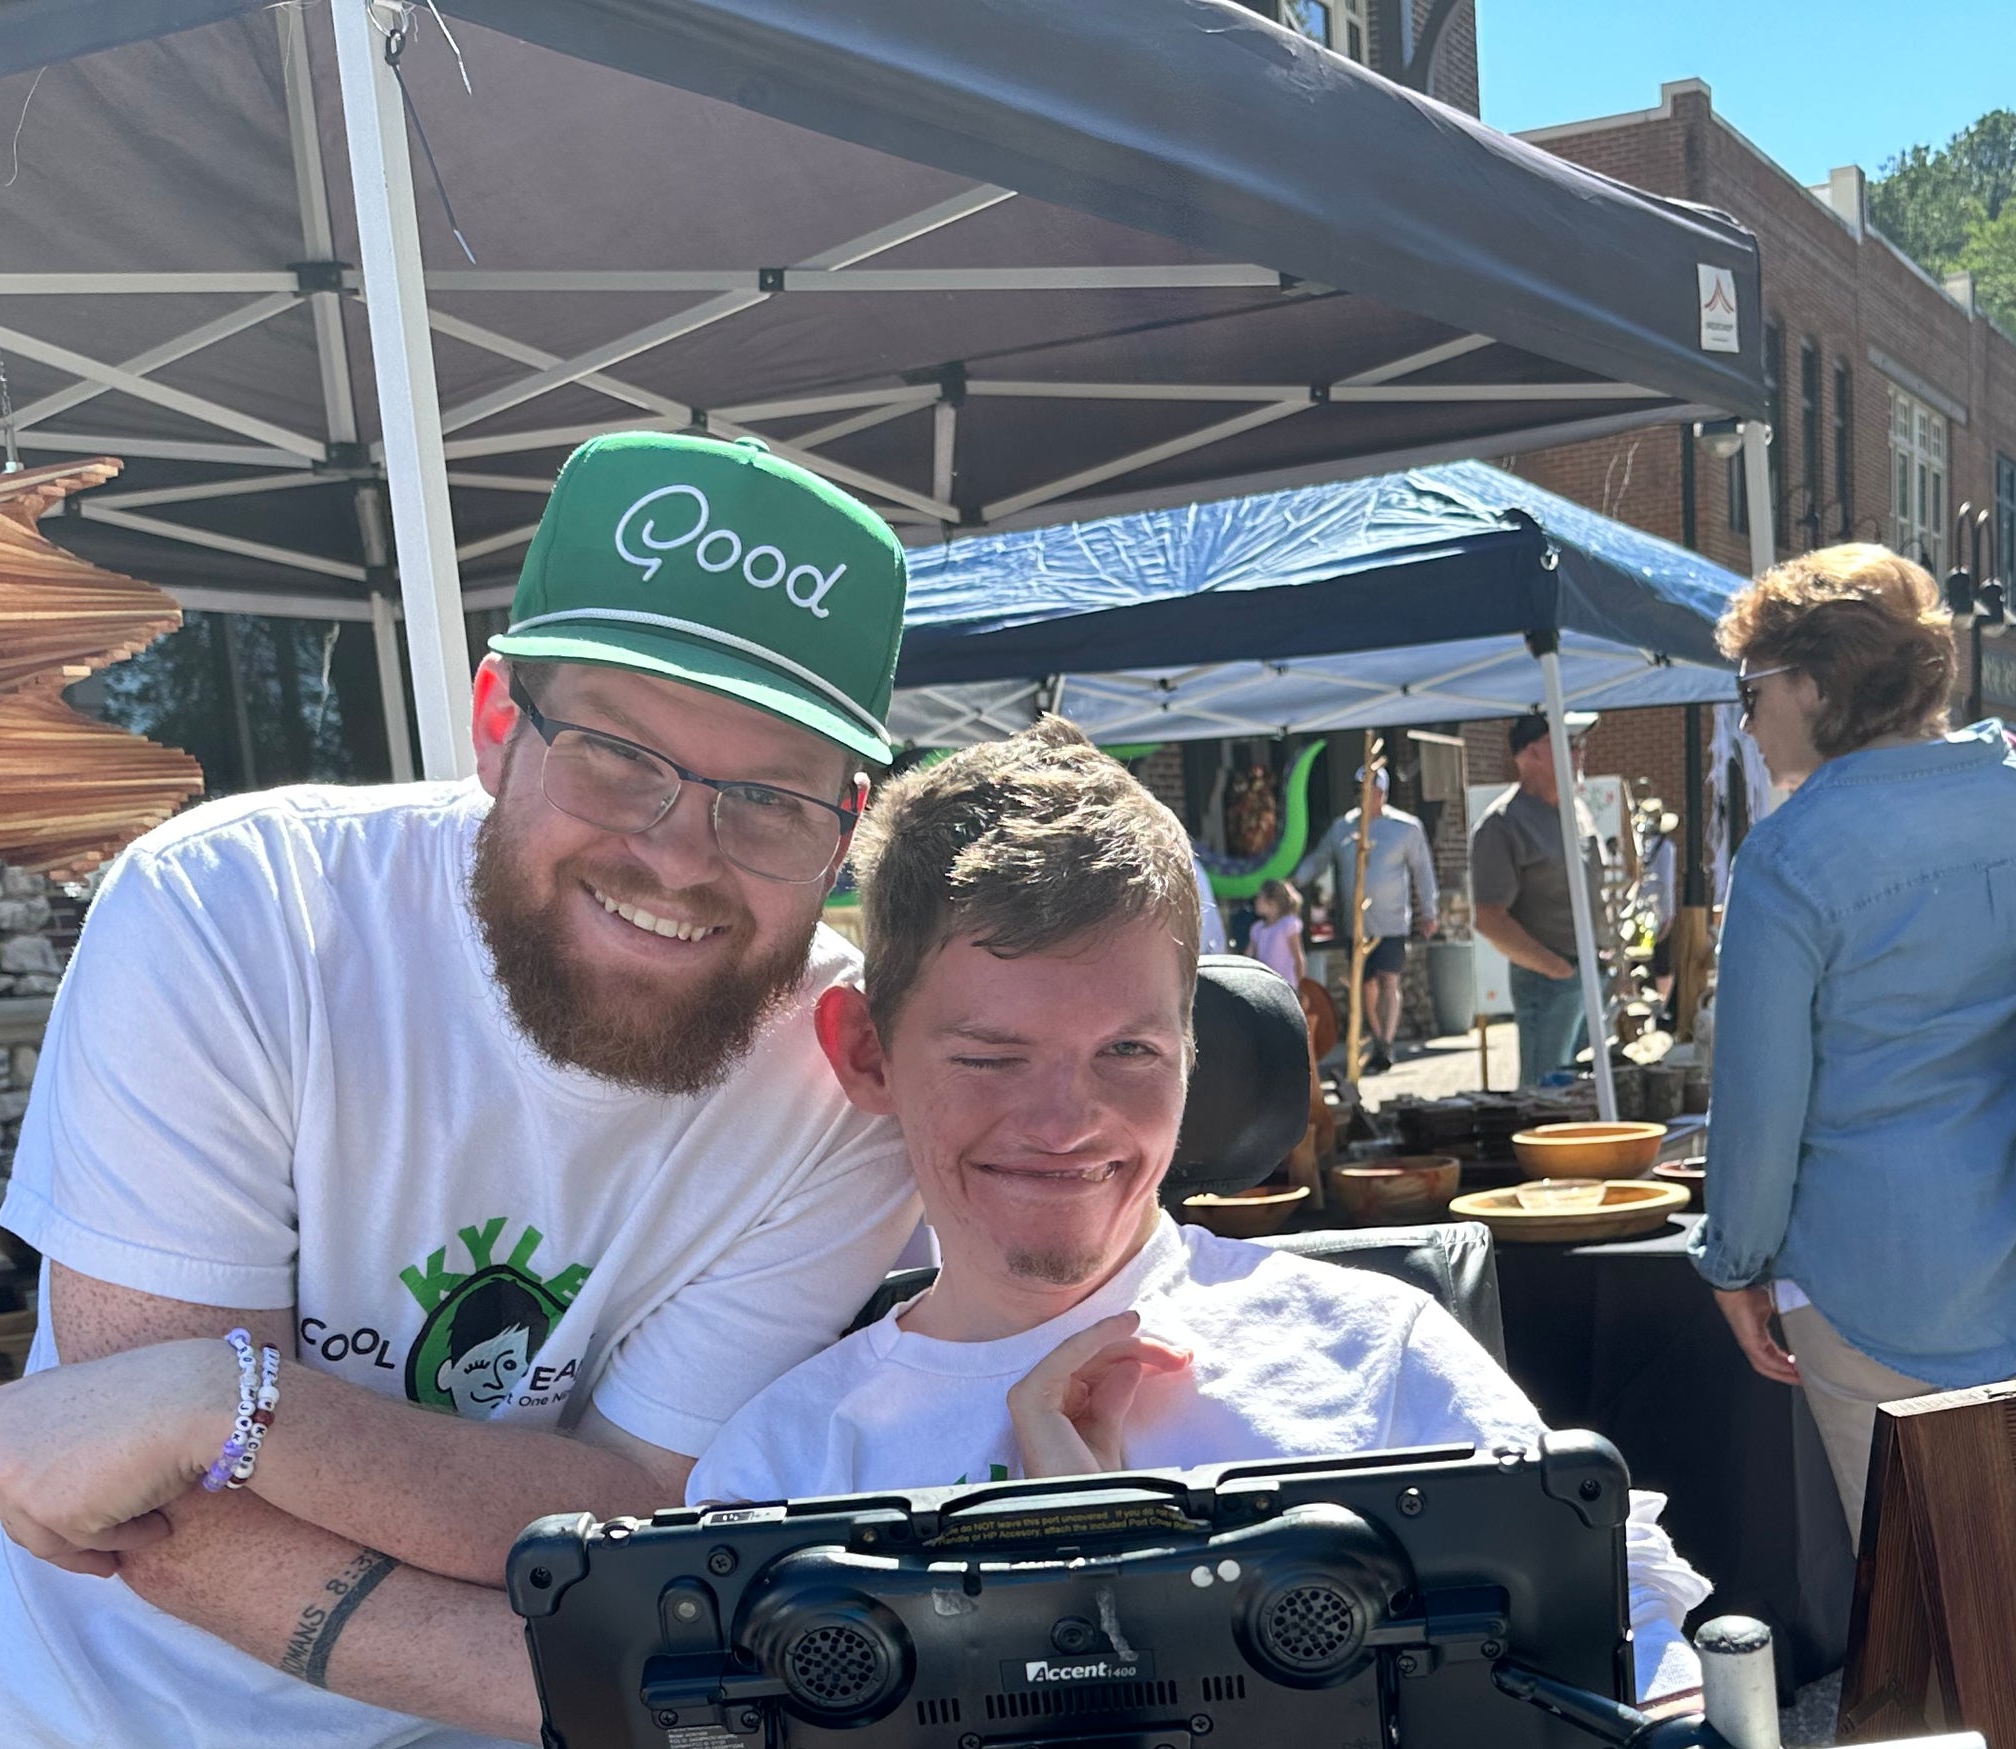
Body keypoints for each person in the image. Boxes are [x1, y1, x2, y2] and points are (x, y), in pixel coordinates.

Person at [0, 433, 927, 1749]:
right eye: (618, 750)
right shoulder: (234, 918)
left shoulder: (843, 1087)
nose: (679, 851)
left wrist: (246, 1406)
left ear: (847, 826)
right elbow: (159, 1508)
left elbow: (631, 1506)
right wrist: (533, 1632)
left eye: (773, 798)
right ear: (494, 720)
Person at [681, 718, 1709, 1699]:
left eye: (1129, 1051)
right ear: (868, 1053)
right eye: (991, 1057)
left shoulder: (1372, 1357)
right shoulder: (784, 1474)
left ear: (1192, 1050)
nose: (1064, 1122)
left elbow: (1636, 1629)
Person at [1688, 545, 2016, 1541]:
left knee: (1924, 1582)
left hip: (1867, 1272)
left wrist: (1733, 1265)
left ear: (1812, 683)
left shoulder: (1789, 856)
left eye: (1752, 690)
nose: (1746, 719)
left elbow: (1758, 1102)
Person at [1472, 709, 1606, 1088]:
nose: (1581, 752)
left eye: (1580, 743)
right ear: (1531, 753)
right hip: (1549, 984)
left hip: (1592, 977)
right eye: (1569, 743)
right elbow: (1489, 918)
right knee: (1545, 1099)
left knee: (1588, 1096)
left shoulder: (1576, 811)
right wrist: (1556, 968)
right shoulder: (1503, 824)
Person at [1296, 761, 1439, 1074]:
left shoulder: (1406, 828)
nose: (1362, 796)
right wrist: (1293, 883)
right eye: (1357, 790)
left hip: (1391, 923)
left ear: (1382, 793)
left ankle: (1386, 1043)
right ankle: (1378, 1039)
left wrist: (1430, 911)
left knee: (1389, 980)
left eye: (1369, 790)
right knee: (1366, 987)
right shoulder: (1342, 828)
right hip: (1357, 924)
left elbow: (1423, 872)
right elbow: (1319, 860)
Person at [1246, 875, 1306, 990]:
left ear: (1272, 903)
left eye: (1260, 898)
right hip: (1266, 988)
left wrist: (1302, 988)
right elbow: (1250, 956)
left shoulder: (1287, 925)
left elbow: (1298, 958)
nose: (1256, 901)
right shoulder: (1257, 929)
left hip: (1287, 987)